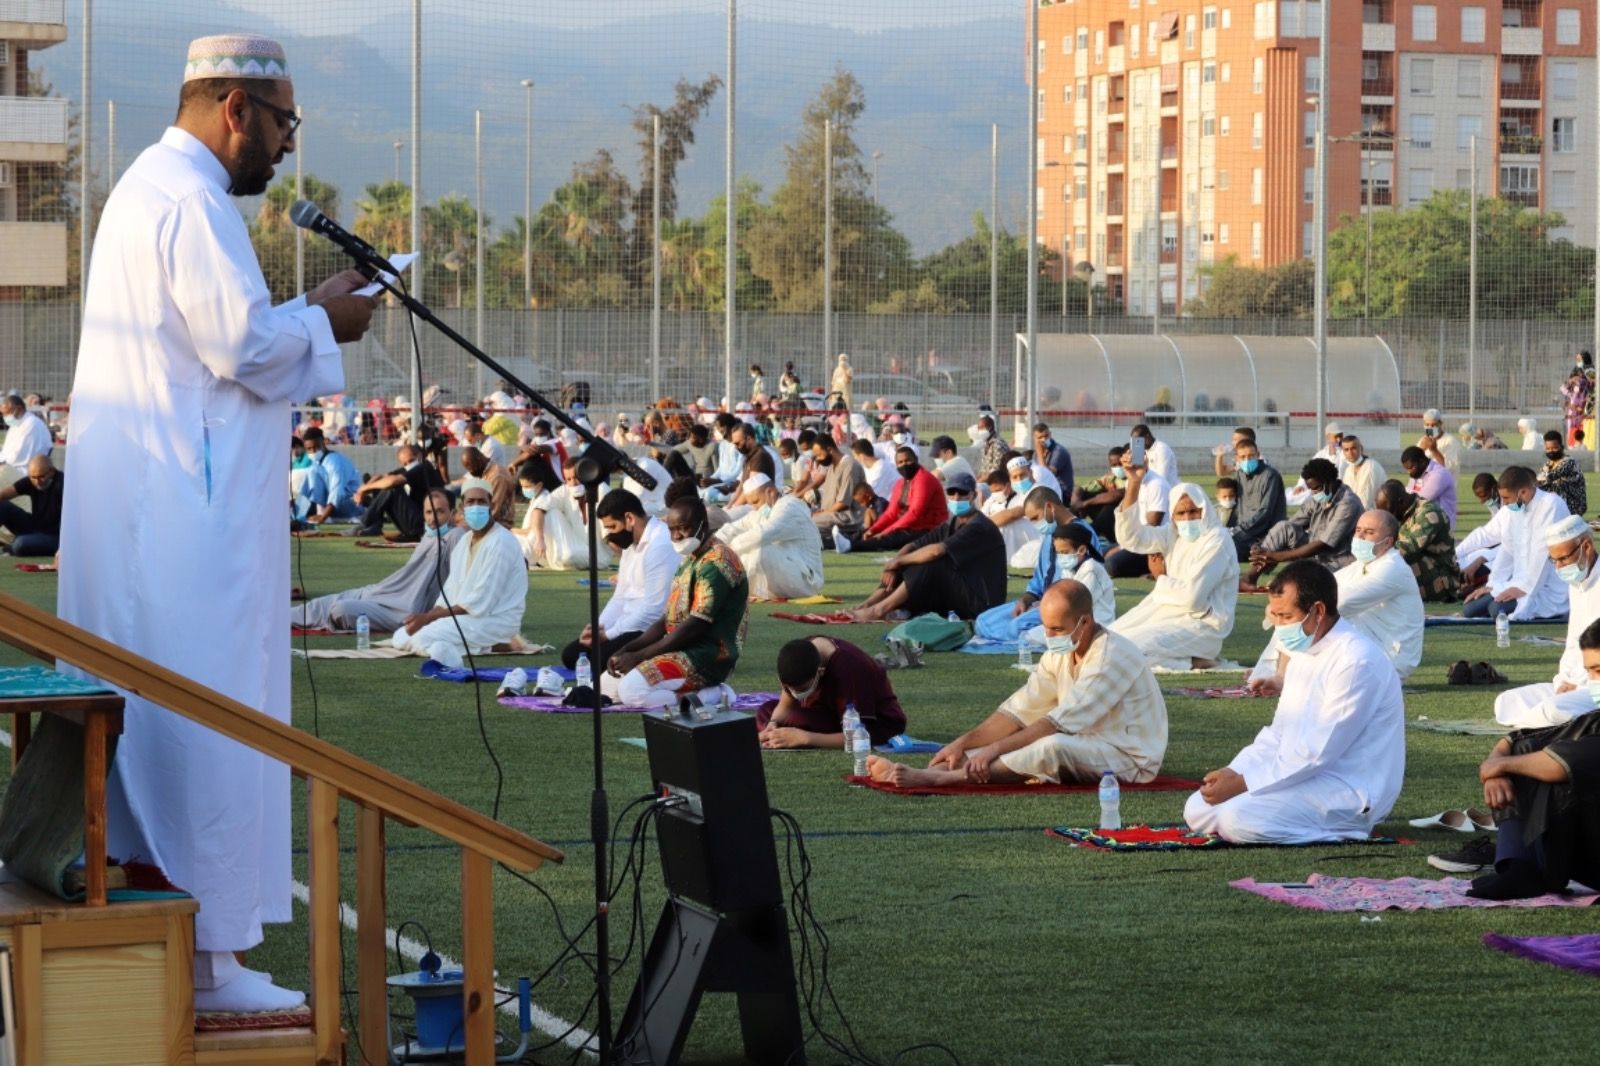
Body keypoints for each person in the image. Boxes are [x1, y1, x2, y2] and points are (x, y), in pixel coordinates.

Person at [60, 33, 377, 1013]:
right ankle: (207, 964)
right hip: (184, 530)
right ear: (235, 108)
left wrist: (306, 315)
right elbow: (239, 342)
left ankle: (184, 952)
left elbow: (214, 345)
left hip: (150, 518)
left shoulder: (150, 190)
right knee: (203, 726)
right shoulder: (190, 198)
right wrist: (329, 316)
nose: (287, 148)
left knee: (156, 732)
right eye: (282, 123)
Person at [1184, 561, 1404, 844]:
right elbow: (1278, 734)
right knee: (1198, 808)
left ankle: (1347, 829)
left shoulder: (1355, 660)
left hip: (1349, 788)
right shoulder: (1303, 651)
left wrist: (1243, 783)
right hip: (1304, 776)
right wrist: (1235, 770)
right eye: (1274, 616)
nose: (1278, 626)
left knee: (1236, 818)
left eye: (1286, 616)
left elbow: (1318, 752)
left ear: (1318, 611)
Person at [866, 581, 1167, 787]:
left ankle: (943, 779)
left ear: (1085, 622)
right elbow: (1018, 711)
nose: (1049, 637)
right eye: (1046, 628)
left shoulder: (1110, 657)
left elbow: (1054, 725)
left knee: (1051, 745)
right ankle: (933, 769)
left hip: (1130, 759)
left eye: (1057, 629)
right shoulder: (1060, 653)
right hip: (1086, 742)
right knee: (1023, 737)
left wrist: (992, 749)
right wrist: (963, 743)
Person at [603, 496, 749, 708]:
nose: (676, 535)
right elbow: (667, 620)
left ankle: (713, 694)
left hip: (707, 656)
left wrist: (639, 656)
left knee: (631, 691)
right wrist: (627, 649)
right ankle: (690, 693)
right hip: (679, 648)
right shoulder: (690, 558)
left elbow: (695, 626)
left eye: (683, 528)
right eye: (671, 529)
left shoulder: (717, 561)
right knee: (607, 688)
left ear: (703, 525)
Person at [1250, 510, 1424, 684]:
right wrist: (1278, 609)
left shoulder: (1392, 569)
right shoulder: (1360, 565)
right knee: (1292, 613)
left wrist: (1283, 610)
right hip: (1369, 644)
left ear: (1388, 542)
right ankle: (1272, 672)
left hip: (1390, 659)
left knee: (1308, 614)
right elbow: (1321, 585)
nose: (1360, 537)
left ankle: (1280, 676)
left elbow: (1338, 603)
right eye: (1358, 530)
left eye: (1369, 533)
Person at [391, 479, 527, 667]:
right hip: (466, 619)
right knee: (401, 636)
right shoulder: (464, 542)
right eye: (470, 502)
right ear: (462, 507)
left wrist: (429, 618)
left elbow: (481, 601)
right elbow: (448, 593)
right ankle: (488, 646)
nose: (476, 506)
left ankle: (497, 642)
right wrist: (426, 618)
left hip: (495, 621)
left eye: (481, 502)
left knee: (421, 640)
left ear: (492, 505)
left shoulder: (501, 541)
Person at [1484, 515, 1600, 732]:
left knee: (1551, 709)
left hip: (1595, 687)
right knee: (1505, 702)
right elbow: (1574, 642)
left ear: (1586, 546)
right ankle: (1548, 724)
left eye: (1563, 559)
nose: (1558, 567)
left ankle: (1545, 723)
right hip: (1573, 685)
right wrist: (1562, 681)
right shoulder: (1577, 583)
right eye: (1553, 560)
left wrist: (1581, 685)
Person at [1110, 478, 1239, 670]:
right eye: (1181, 513)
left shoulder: (1216, 539)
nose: (1187, 519)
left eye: (1194, 511)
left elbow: (1192, 598)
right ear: (1172, 516)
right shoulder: (1172, 533)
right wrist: (1134, 484)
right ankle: (1187, 659)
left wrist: (1161, 578)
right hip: (1163, 615)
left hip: (1203, 627)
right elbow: (1131, 538)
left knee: (1131, 652)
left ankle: (1191, 661)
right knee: (1108, 641)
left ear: (1204, 510)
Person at [846, 472, 1006, 623]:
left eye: (962, 493)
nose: (957, 498)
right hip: (962, 592)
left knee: (933, 563)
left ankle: (878, 610)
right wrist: (895, 564)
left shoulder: (978, 525)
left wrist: (898, 562)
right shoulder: (953, 523)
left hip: (983, 604)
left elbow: (937, 551)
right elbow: (913, 545)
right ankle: (868, 605)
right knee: (912, 558)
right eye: (952, 493)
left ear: (974, 495)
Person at [297, 490, 462, 633]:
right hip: (381, 592)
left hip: (402, 611)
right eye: (428, 512)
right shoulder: (429, 535)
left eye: (439, 512)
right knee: (322, 603)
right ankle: (277, 616)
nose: (432, 519)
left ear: (452, 513)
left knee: (339, 610)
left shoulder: (455, 536)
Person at [560, 487, 678, 671]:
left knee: (601, 661)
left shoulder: (660, 544)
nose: (611, 535)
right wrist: (598, 629)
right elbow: (620, 596)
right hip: (626, 624)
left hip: (650, 629)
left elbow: (654, 610)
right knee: (571, 655)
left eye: (612, 527)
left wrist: (610, 634)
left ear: (629, 519)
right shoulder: (631, 543)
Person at [757, 637, 908, 749]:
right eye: (788, 688)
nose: (794, 693)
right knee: (767, 710)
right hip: (827, 713)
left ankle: (796, 735)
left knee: (795, 719)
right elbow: (785, 706)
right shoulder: (803, 653)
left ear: (820, 672)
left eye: (801, 689)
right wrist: (772, 724)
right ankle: (779, 734)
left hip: (874, 725)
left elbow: (856, 735)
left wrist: (805, 738)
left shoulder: (848, 668)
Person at [1461, 465, 1570, 621]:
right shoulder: (1515, 509)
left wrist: (1525, 588)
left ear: (1523, 492)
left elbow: (1543, 554)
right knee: (1470, 609)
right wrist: (1493, 584)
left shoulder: (1550, 505)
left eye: (1506, 498)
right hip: (1518, 581)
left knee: (1496, 609)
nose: (1504, 504)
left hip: (1546, 586)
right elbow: (1507, 549)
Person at [972, 486, 1080, 643]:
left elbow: (1080, 588)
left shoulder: (1081, 534)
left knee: (1016, 627)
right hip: (1039, 603)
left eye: (1036, 518)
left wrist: (1049, 603)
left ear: (1049, 507)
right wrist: (1025, 601)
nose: (1036, 524)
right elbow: (1038, 582)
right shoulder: (1049, 536)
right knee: (983, 620)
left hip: (1063, 605)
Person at [1241, 458, 1362, 588]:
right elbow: (1291, 526)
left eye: (1316, 488)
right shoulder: (1318, 498)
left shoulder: (1348, 503)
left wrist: (1277, 556)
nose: (1313, 493)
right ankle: (1249, 579)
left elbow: (1322, 545)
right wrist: (1261, 547)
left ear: (1329, 482)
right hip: (1316, 556)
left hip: (1338, 563)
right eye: (1310, 489)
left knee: (1292, 585)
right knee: (1283, 527)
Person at [716, 473, 825, 600]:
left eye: (756, 502)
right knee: (745, 547)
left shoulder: (790, 507)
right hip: (791, 572)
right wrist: (712, 543)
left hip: (807, 580)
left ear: (770, 492)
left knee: (758, 549)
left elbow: (762, 534)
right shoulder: (763, 510)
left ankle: (731, 589)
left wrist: (725, 550)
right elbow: (733, 528)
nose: (754, 507)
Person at [836, 447, 948, 554]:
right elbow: (891, 513)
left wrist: (885, 532)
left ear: (916, 460)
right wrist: (874, 529)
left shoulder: (923, 479)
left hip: (930, 529)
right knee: (869, 532)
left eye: (908, 460)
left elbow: (915, 513)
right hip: (911, 526)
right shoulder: (901, 483)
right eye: (900, 462)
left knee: (891, 537)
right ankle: (838, 541)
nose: (904, 464)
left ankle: (851, 545)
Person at [1375, 479, 1461, 603]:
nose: (1391, 518)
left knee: (1398, 558)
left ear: (1401, 502)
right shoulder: (1404, 512)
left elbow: (1407, 548)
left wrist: (1372, 553)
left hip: (1442, 582)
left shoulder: (1429, 513)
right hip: (1423, 573)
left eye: (1391, 513)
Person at [525, 458, 613, 571]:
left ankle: (527, 559)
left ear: (585, 473)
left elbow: (610, 533)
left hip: (599, 557)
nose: (573, 483)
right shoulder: (564, 490)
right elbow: (538, 510)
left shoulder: (601, 490)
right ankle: (525, 558)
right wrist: (540, 539)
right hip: (575, 548)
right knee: (549, 513)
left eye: (576, 478)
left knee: (568, 556)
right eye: (568, 479)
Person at [1103, 448, 1173, 579]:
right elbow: (1127, 515)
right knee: (1098, 555)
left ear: (1145, 459)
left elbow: (1152, 525)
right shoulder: (1131, 480)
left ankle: (1154, 568)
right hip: (1134, 537)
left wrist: (1125, 546)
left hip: (1152, 543)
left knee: (1111, 565)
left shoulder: (1157, 485)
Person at [351, 443, 443, 542]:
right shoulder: (410, 468)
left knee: (392, 488)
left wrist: (364, 489)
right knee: (381, 485)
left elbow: (393, 481)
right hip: (415, 521)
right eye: (405, 464)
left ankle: (366, 522)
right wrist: (363, 490)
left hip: (425, 523)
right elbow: (381, 477)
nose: (408, 465)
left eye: (411, 460)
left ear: (419, 456)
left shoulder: (424, 467)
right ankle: (375, 525)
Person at [1228, 438, 1287, 561]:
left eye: (1251, 456)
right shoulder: (1240, 474)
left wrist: (1236, 531)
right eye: (1243, 457)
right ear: (1237, 458)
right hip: (1244, 533)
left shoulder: (1270, 475)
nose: (1247, 460)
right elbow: (1239, 507)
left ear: (1258, 454)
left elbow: (1265, 512)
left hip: (1265, 535)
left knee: (1226, 548)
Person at [296, 425, 363, 524]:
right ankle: (319, 514)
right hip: (333, 506)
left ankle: (325, 515)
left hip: (351, 503)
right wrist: (296, 514)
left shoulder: (334, 461)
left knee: (313, 472)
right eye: (309, 449)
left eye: (316, 447)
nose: (313, 451)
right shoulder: (316, 463)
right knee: (311, 472)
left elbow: (337, 492)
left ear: (323, 442)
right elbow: (304, 491)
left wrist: (323, 517)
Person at [0, 454, 64, 556]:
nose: (37, 481)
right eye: (33, 477)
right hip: (36, 527)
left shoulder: (62, 484)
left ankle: (12, 547)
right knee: (2, 506)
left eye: (41, 477)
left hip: (55, 536)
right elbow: (3, 494)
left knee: (20, 544)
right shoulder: (32, 480)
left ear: (52, 471)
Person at [808, 434, 866, 545]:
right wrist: (820, 512)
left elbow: (843, 503)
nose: (818, 459)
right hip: (831, 514)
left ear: (829, 450)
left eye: (819, 455)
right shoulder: (831, 467)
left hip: (848, 517)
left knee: (809, 522)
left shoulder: (850, 465)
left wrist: (820, 515)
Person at [982, 466, 1039, 563]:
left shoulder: (1024, 495)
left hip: (1027, 539)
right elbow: (982, 516)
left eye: (998, 490)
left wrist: (986, 523)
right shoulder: (991, 500)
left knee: (1008, 524)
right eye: (993, 491)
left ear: (1008, 486)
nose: (995, 494)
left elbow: (1013, 515)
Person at [457, 442, 515, 529]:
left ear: (479, 459)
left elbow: (493, 511)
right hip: (486, 519)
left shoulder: (497, 476)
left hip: (499, 523)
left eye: (470, 468)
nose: (470, 472)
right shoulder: (485, 473)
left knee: (457, 530)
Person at [0, 393, 53, 478]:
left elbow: (17, 457)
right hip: (12, 467)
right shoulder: (16, 425)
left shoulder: (31, 424)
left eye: (7, 413)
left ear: (19, 409)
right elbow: (6, 452)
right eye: (3, 414)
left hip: (26, 472)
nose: (4, 417)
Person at [1538, 430, 1587, 518]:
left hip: (1573, 506)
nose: (1551, 451)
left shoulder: (1569, 462)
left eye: (1554, 448)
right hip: (1557, 506)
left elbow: (1549, 477)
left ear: (1561, 446)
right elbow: (1540, 484)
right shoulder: (1547, 465)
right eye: (1548, 449)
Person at [1339, 434, 1386, 510]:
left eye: (1353, 448)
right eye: (1346, 450)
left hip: (1374, 516)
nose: (1350, 453)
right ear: (1343, 452)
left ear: (1361, 449)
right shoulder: (1348, 470)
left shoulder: (1370, 467)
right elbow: (1346, 499)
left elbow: (1364, 504)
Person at [1419, 407, 1462, 473]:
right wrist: (1420, 451)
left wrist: (1434, 450)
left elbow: (1450, 468)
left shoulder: (1451, 442)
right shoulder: (1423, 441)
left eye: (1433, 425)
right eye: (1427, 425)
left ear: (1440, 424)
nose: (1430, 427)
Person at [1031, 422, 1074, 488]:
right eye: (1040, 437)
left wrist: (1040, 454)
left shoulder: (1058, 451)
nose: (1043, 439)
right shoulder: (1036, 453)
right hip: (1046, 488)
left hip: (1061, 491)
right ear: (1035, 439)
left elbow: (1046, 475)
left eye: (1046, 436)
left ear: (1050, 434)